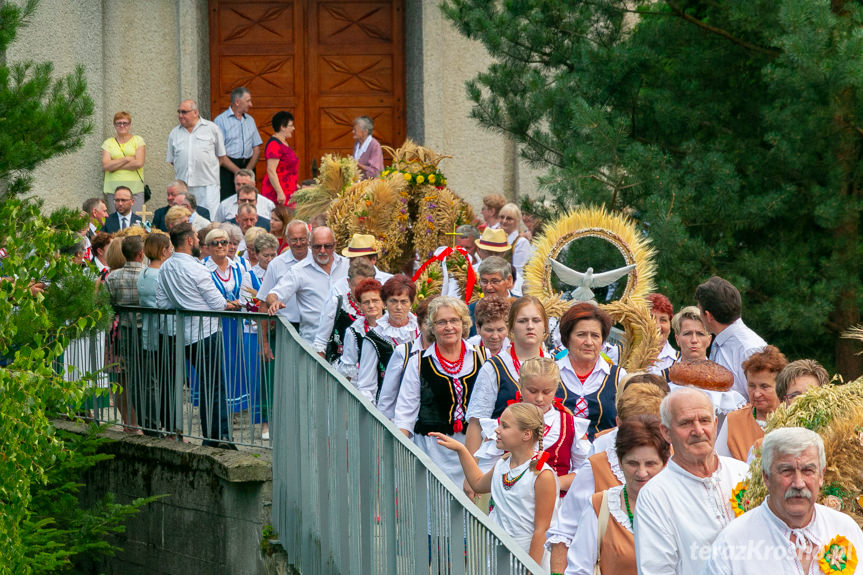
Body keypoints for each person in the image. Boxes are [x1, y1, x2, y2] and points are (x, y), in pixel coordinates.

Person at [705, 427, 863, 574]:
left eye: (808, 470)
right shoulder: (732, 544)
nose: (799, 483)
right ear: (766, 477)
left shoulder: (845, 528)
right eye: (786, 471)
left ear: (821, 476)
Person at [547, 382, 666, 572]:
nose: (642, 472)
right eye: (634, 429)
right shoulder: (597, 466)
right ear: (619, 424)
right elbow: (565, 533)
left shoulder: (675, 464)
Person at [634, 387, 750, 575]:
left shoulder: (743, 473)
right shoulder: (655, 496)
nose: (698, 430)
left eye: (704, 420)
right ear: (666, 432)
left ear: (715, 424)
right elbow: (656, 570)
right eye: (686, 423)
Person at [429, 402, 558, 567]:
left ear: (526, 434)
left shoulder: (541, 475)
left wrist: (530, 568)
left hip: (525, 557)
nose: (497, 430)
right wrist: (461, 450)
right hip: (499, 553)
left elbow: (541, 530)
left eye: (504, 426)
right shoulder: (502, 464)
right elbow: (477, 483)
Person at [156, 222, 240, 448]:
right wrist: (229, 304)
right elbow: (217, 303)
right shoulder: (196, 268)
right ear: (190, 241)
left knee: (205, 385)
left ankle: (207, 435)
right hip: (205, 332)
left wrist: (183, 304)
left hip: (181, 332)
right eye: (195, 236)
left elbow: (162, 302)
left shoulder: (165, 267)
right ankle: (218, 436)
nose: (197, 240)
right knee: (213, 386)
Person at [394, 296, 484, 486]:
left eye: (454, 320)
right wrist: (400, 452)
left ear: (463, 323)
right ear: (432, 328)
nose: (448, 327)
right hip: (432, 451)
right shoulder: (418, 362)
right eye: (441, 322)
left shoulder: (482, 357)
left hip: (474, 450)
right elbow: (405, 413)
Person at [566, 415, 670, 575]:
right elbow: (579, 569)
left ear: (665, 463)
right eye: (632, 463)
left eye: (650, 463)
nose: (641, 473)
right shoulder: (601, 505)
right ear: (620, 463)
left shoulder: (681, 506)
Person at [473, 357, 591, 491]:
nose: (539, 398)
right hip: (510, 503)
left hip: (556, 506)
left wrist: (552, 483)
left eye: (546, 392)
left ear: (556, 388)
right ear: (520, 385)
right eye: (532, 391)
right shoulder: (502, 425)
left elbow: (586, 471)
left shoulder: (570, 425)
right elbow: (485, 470)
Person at [466, 296, 548, 453]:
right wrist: (472, 473)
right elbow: (476, 424)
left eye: (536, 320)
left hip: (543, 461)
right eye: (522, 321)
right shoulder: (494, 368)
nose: (530, 326)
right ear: (511, 327)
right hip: (499, 461)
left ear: (545, 326)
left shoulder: (554, 365)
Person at [266, 226, 349, 342]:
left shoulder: (347, 266)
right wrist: (274, 302)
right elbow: (273, 294)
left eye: (327, 246)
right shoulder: (299, 271)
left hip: (345, 343)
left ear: (335, 244)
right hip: (312, 344)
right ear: (310, 245)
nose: (322, 251)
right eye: (317, 246)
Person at [557, 303, 626, 439]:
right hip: (558, 459)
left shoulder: (619, 377)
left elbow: (629, 424)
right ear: (567, 338)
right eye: (581, 335)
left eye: (595, 336)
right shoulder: (551, 373)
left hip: (603, 457)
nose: (589, 342)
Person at [666, 306, 747, 418]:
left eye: (700, 334)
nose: (694, 340)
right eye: (687, 333)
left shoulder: (723, 381)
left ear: (709, 340)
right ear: (677, 339)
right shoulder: (664, 377)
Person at [695, 276, 767, 399]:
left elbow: (763, 402)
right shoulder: (720, 342)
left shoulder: (749, 349)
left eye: (699, 311)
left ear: (708, 316)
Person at [715, 345, 787, 461]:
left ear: (780, 386)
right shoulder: (733, 420)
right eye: (751, 386)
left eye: (764, 386)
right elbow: (720, 465)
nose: (757, 393)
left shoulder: (794, 418)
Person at [105, 235, 146, 432]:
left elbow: (106, 304)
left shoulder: (112, 277)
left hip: (119, 331)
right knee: (143, 377)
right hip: (143, 331)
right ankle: (144, 421)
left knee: (121, 379)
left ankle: (129, 423)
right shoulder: (147, 274)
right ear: (141, 253)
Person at [356, 274, 419, 403]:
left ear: (411, 303)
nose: (398, 307)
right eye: (393, 301)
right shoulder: (374, 338)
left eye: (404, 301)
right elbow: (366, 385)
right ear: (385, 303)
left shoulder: (422, 330)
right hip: (390, 407)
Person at [137, 232, 176, 435]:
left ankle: (154, 424)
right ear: (163, 251)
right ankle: (164, 425)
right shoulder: (159, 274)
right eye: (170, 248)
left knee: (155, 380)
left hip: (151, 331)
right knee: (165, 381)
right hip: (163, 331)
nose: (172, 252)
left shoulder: (144, 273)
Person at [376, 296, 434, 420]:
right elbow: (387, 399)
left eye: (437, 323)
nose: (432, 329)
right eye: (427, 323)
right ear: (418, 324)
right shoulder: (404, 352)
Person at [166, 99, 226, 218]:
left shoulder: (212, 128)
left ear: (195, 112)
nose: (180, 115)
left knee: (209, 219)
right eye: (179, 112)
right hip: (184, 187)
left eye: (184, 112)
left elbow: (221, 156)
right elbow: (173, 160)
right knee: (183, 218)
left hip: (207, 185)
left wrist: (207, 169)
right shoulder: (174, 133)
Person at [313, 257, 376, 365]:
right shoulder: (337, 303)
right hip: (341, 372)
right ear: (348, 282)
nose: (362, 291)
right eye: (357, 286)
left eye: (367, 286)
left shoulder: (381, 305)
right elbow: (321, 342)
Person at [257, 219, 309, 338]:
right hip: (286, 328)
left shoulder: (317, 261)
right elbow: (264, 304)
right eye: (294, 239)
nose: (299, 243)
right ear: (287, 240)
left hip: (313, 328)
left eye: (302, 239)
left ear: (309, 238)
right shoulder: (276, 264)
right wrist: (263, 342)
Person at [214, 87, 262, 201]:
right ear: (237, 102)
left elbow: (256, 148)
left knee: (249, 199)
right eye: (248, 101)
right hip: (228, 169)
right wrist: (238, 172)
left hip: (248, 166)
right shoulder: (220, 121)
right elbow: (219, 152)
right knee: (228, 201)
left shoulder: (250, 120)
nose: (251, 104)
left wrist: (248, 172)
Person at [337, 277, 384, 383]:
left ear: (383, 302)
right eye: (366, 302)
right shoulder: (354, 331)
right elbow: (348, 367)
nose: (371, 305)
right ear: (359, 305)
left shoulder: (394, 326)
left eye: (375, 301)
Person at [101, 111, 146, 215]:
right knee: (117, 222)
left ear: (129, 124)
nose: (122, 125)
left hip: (135, 189)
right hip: (113, 189)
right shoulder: (108, 143)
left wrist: (114, 165)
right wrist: (126, 159)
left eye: (125, 123)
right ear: (114, 125)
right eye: (118, 123)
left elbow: (139, 163)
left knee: (136, 222)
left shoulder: (138, 140)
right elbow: (106, 165)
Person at [468, 255, 515, 337]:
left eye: (495, 281)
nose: (488, 287)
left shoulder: (521, 306)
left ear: (509, 280)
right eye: (484, 281)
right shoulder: (470, 311)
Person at [261, 111, 298, 206]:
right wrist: (280, 192)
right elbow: (271, 170)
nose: (293, 128)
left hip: (288, 189)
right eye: (291, 125)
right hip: (279, 192)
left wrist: (296, 186)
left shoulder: (283, 142)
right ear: (282, 127)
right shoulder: (274, 144)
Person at [497, 202, 533, 295]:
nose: (504, 221)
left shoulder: (521, 242)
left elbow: (519, 272)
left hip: (512, 289)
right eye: (502, 217)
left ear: (517, 221)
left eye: (509, 218)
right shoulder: (497, 238)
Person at [466, 294, 511, 359]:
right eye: (489, 330)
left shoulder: (515, 351)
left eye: (500, 330)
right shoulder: (468, 350)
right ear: (478, 328)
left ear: (508, 328)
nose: (495, 336)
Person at [646, 293, 679, 375]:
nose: (657, 326)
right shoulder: (619, 354)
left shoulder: (680, 361)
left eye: (663, 320)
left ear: (670, 324)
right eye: (651, 319)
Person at [352, 115, 384, 180]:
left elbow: (375, 172)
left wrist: (358, 165)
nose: (353, 132)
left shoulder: (374, 145)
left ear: (365, 132)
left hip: (372, 186)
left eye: (355, 130)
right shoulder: (357, 144)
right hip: (359, 186)